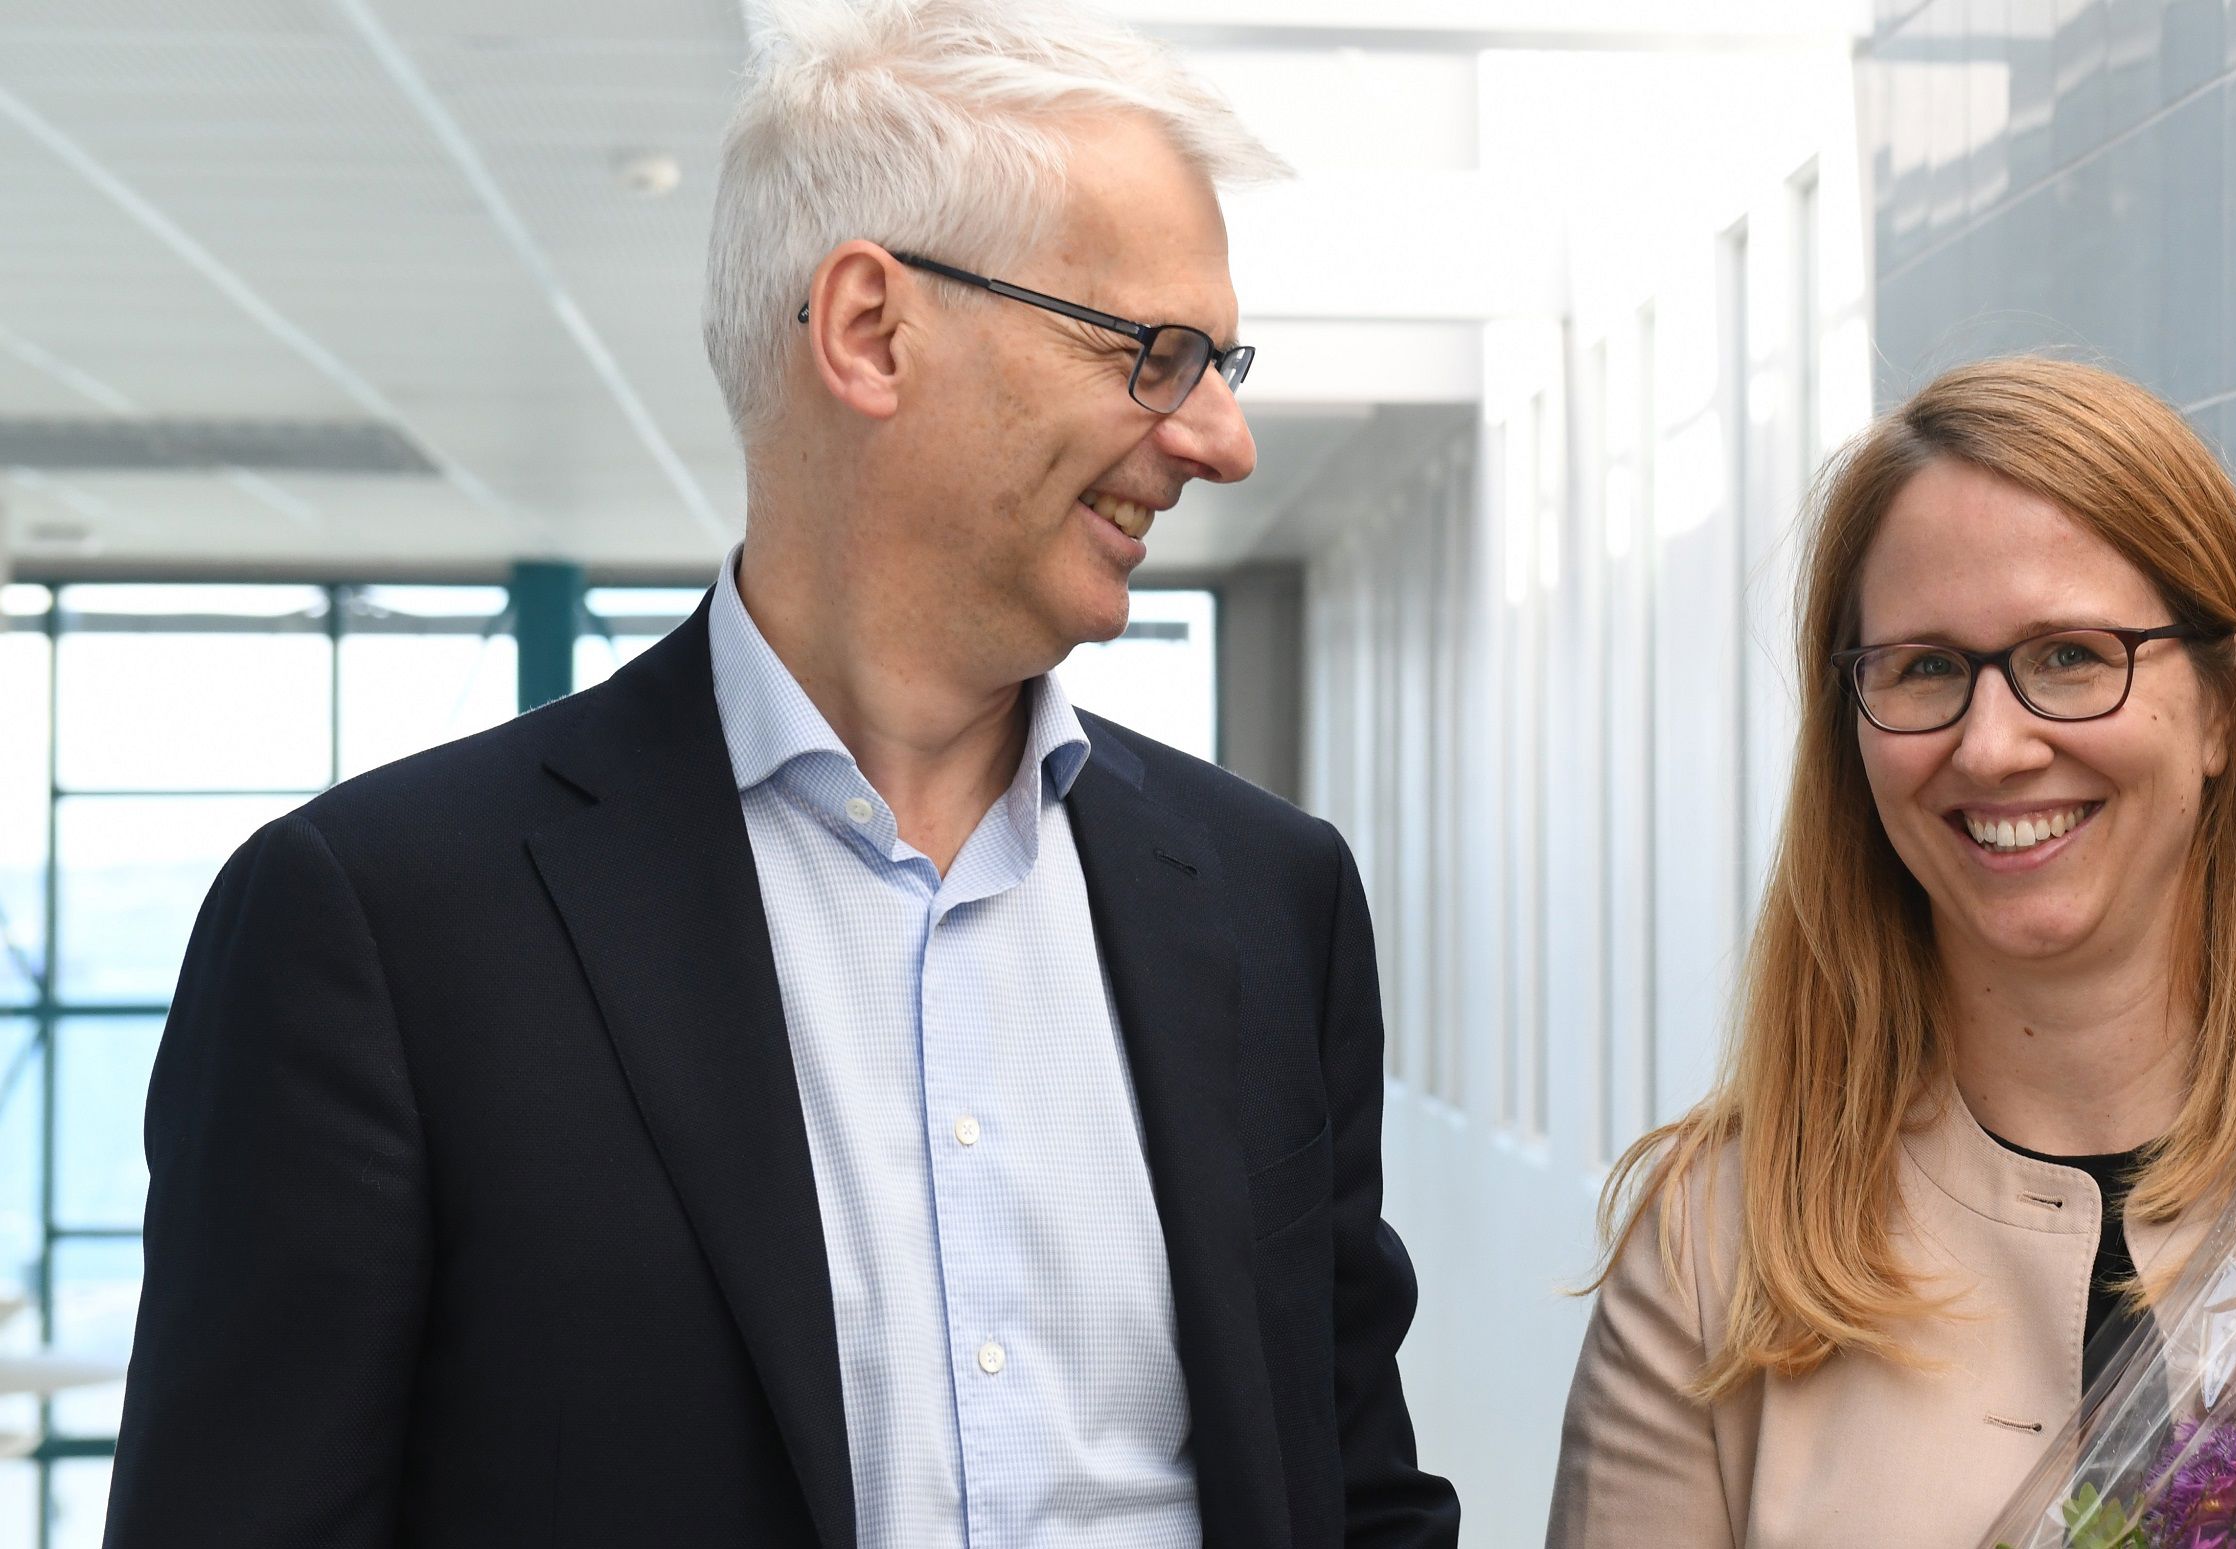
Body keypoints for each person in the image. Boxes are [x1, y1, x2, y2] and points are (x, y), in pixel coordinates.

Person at [105, 2, 1458, 1545]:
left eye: (1220, 362)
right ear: (872, 330)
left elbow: (1348, 1493)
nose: (1220, 440)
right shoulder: (385, 928)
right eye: (1158, 354)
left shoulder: (1272, 900)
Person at [1547, 357, 2236, 1546]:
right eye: (1925, 669)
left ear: (2227, 703)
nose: (1992, 748)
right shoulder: (1716, 1249)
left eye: (2072, 655)